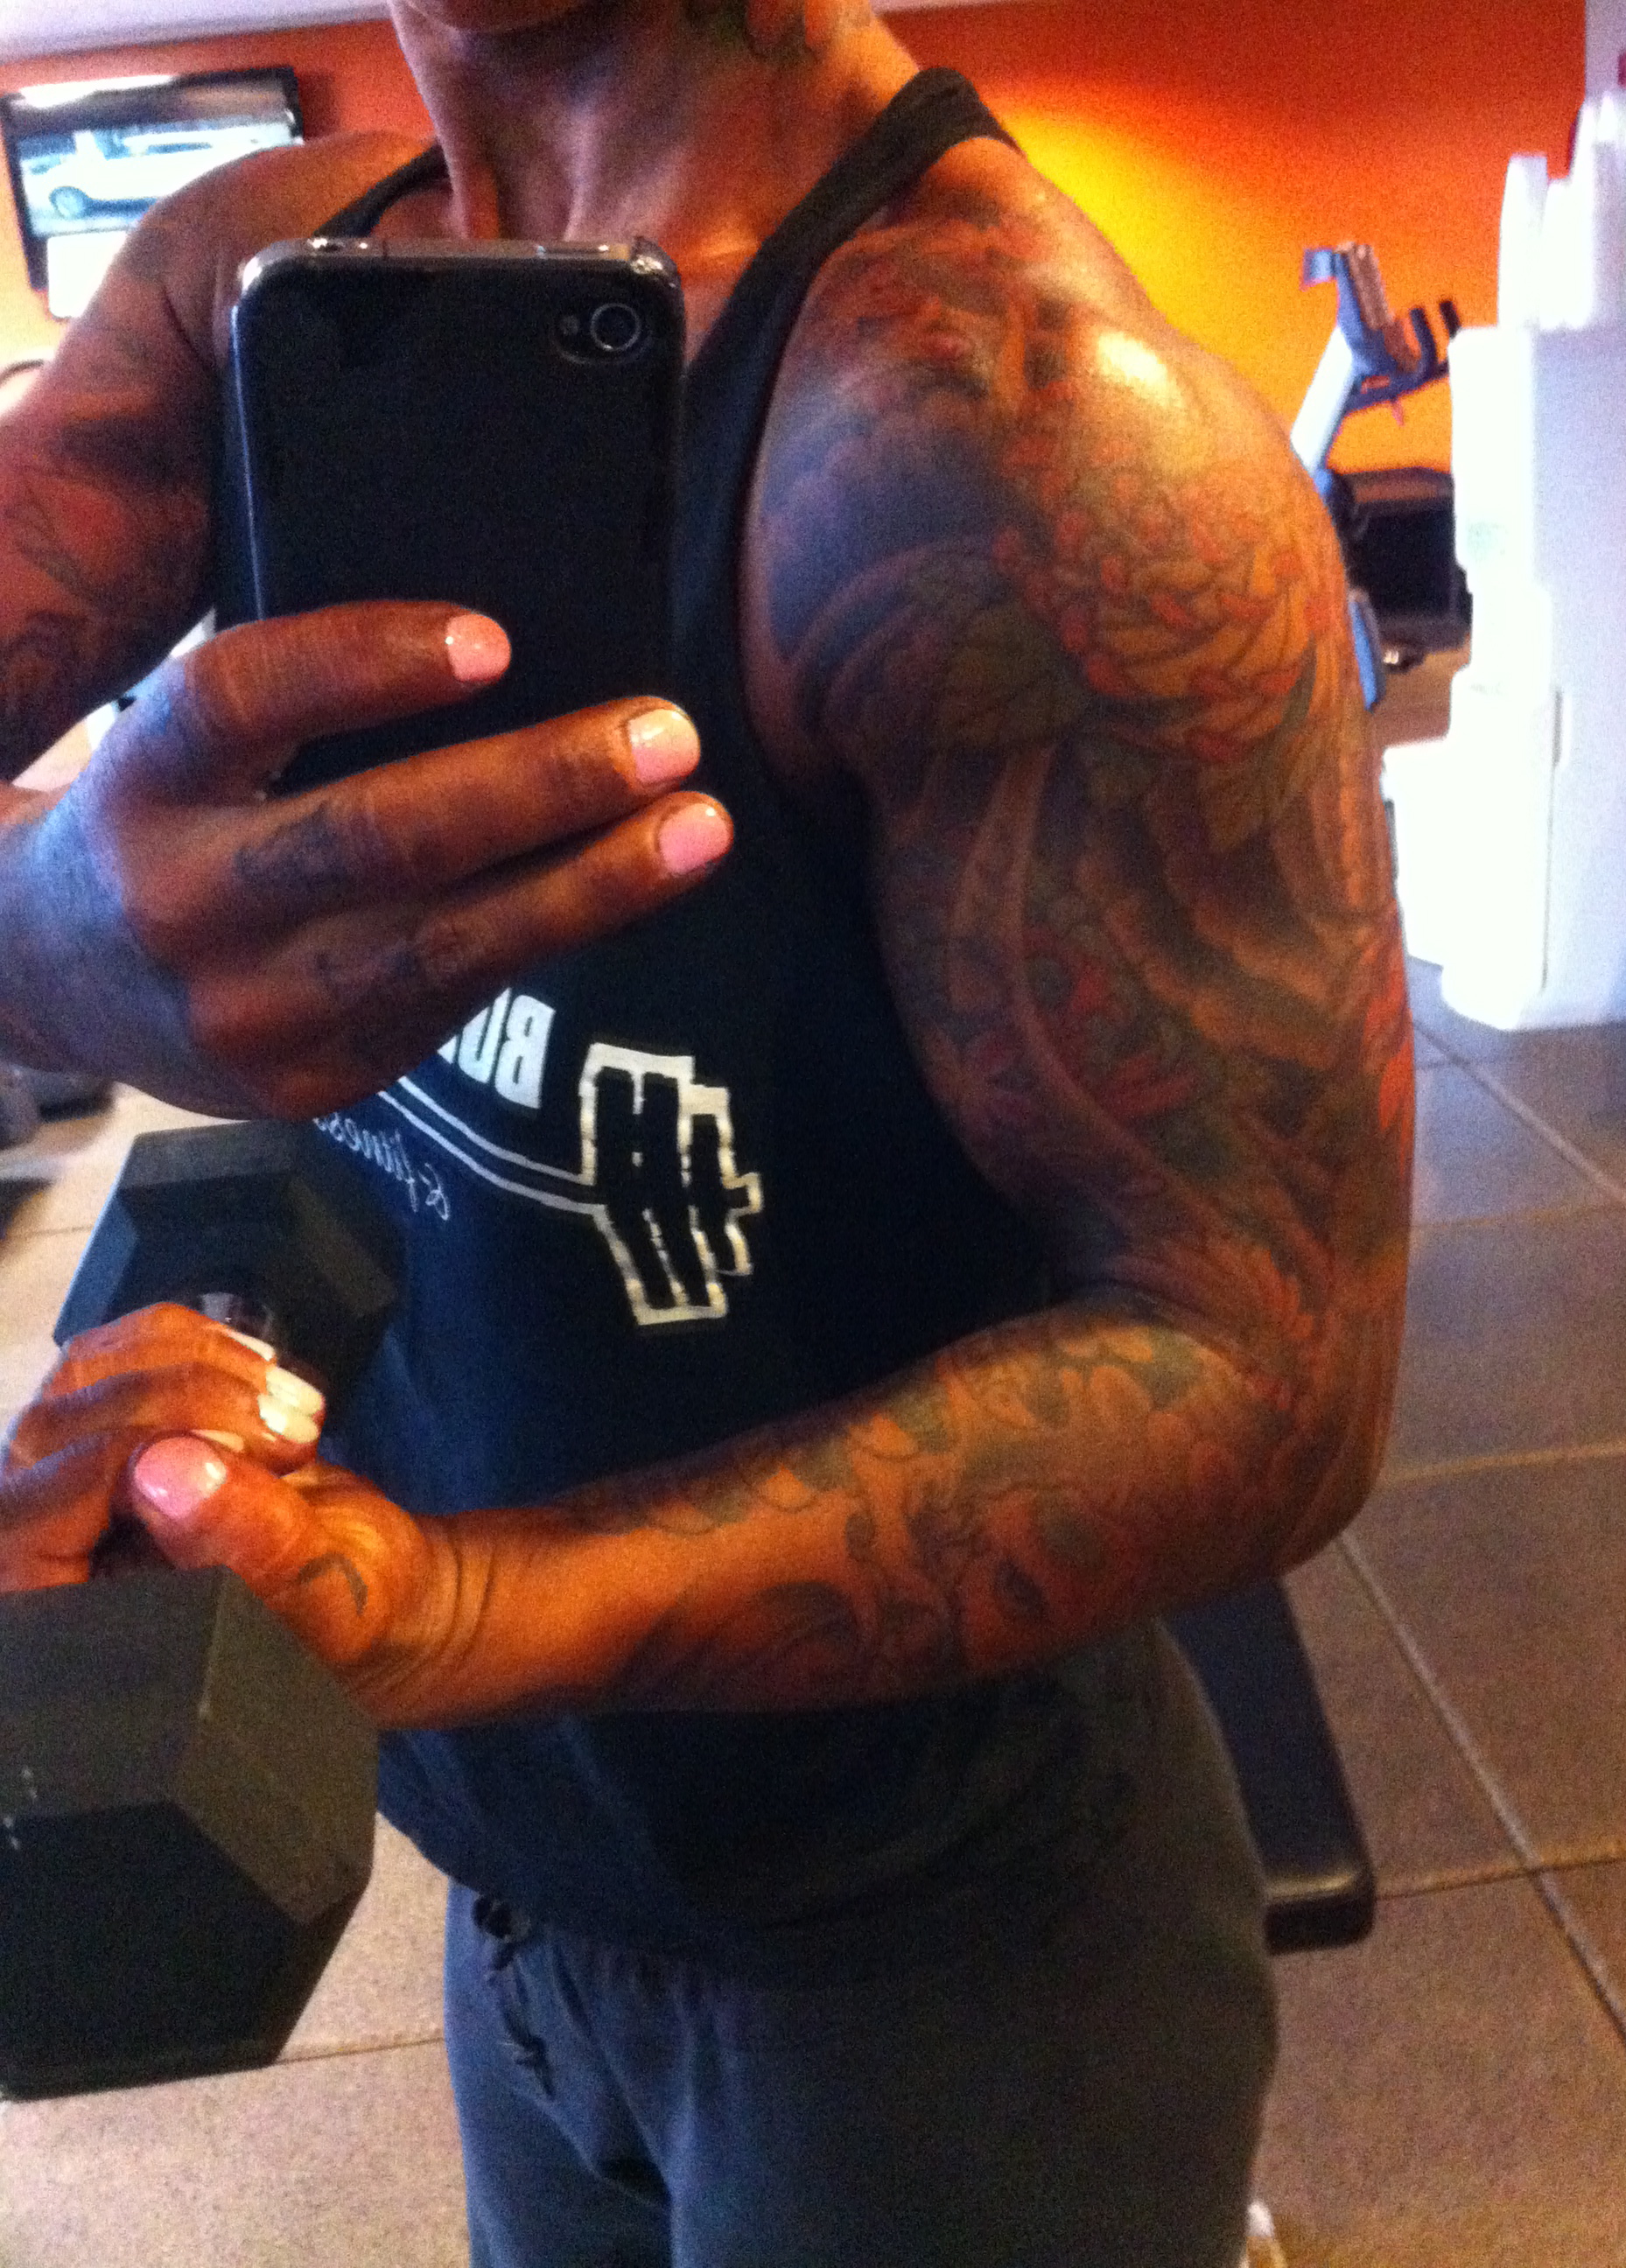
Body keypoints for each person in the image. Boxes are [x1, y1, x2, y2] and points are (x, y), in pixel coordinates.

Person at [0, 4, 1412, 2263]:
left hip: (942, 1971)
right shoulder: (255, 277)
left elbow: (1263, 1366)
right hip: (526, 1908)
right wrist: (38, 936)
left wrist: (471, 1604)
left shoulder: (1024, 433)